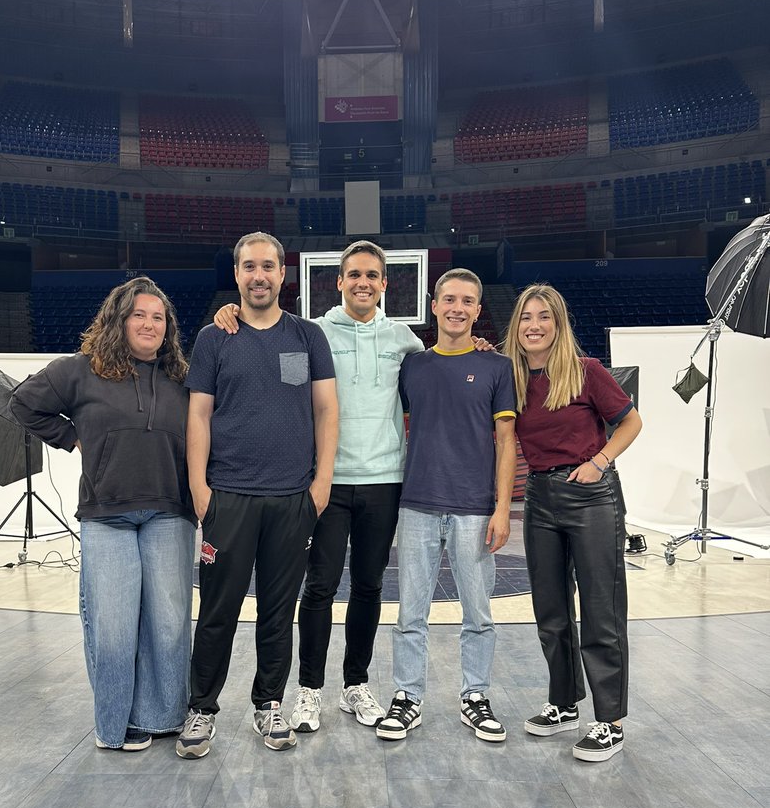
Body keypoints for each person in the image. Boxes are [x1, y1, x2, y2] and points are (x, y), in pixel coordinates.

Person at [213, 239, 423, 733]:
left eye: (372, 275)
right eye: (354, 274)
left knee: (370, 586)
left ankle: (356, 684)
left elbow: (442, 362)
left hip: (384, 480)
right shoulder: (313, 332)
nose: (363, 283)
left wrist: (480, 347)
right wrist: (230, 312)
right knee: (320, 587)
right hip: (326, 483)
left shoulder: (403, 339)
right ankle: (309, 690)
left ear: (385, 283)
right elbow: (265, 337)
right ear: (339, 281)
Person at [10, 276, 196, 752]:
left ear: (168, 327)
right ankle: (116, 724)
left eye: (158, 317)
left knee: (169, 623)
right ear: (119, 320)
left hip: (170, 511)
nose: (149, 324)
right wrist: (72, 437)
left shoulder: (182, 378)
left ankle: (163, 716)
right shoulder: (80, 371)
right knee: (113, 626)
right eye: (139, 315)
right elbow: (24, 403)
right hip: (106, 514)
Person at [176, 231, 338, 759]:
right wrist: (200, 489)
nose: (259, 275)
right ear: (237, 273)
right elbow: (198, 415)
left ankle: (268, 704)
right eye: (249, 266)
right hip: (228, 497)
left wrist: (321, 484)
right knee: (217, 611)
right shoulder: (213, 337)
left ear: (283, 273)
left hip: (292, 499)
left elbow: (326, 411)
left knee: (277, 612)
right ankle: (202, 707)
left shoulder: (309, 336)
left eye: (268, 266)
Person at [503, 283, 642, 762]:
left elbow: (632, 422)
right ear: (516, 326)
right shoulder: (511, 376)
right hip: (539, 497)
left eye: (544, 316)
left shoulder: (587, 371)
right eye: (526, 317)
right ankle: (564, 704)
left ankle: (610, 721)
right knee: (551, 610)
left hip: (591, 497)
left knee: (602, 610)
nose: (534, 325)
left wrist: (599, 462)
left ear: (559, 324)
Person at [378, 268, 517, 742]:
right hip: (417, 503)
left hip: (474, 508)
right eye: (450, 299)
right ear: (433, 305)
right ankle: (407, 697)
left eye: (468, 301)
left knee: (478, 613)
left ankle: (475, 696)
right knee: (409, 614)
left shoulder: (497, 367)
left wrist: (502, 508)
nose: (458, 308)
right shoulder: (411, 366)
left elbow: (506, 441)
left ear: (478, 311)